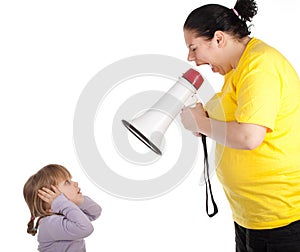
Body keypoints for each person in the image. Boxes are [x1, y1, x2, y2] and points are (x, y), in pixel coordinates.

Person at [180, 0, 300, 251]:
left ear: (219, 39)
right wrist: (204, 122)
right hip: (252, 215)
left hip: (279, 218)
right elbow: (235, 122)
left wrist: (202, 122)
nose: (192, 58)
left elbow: (248, 136)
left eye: (194, 48)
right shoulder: (237, 69)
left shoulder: (260, 65)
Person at [23, 164, 102, 252]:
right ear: (50, 198)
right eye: (67, 182)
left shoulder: (66, 211)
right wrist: (61, 202)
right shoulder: (49, 224)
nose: (75, 183)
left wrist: (78, 201)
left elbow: (96, 211)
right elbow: (86, 228)